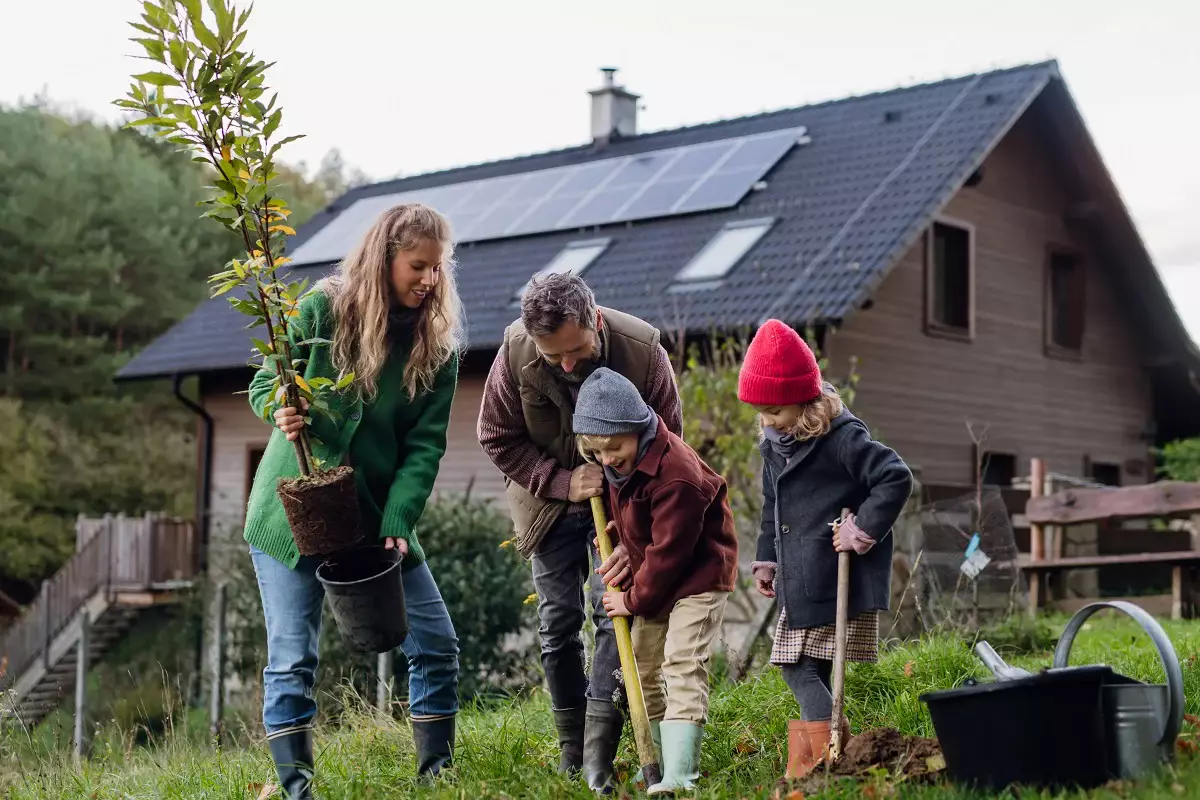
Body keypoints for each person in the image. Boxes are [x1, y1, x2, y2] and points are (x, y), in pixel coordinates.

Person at [244, 204, 464, 799]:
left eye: (437, 269)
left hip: (376, 518)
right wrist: (280, 409)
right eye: (418, 266)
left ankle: (436, 779)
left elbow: (423, 447)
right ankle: (297, 790)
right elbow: (268, 381)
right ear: (384, 258)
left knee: (436, 644)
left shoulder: (436, 349)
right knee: (293, 660)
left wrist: (398, 520)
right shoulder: (321, 311)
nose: (429, 280)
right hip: (294, 514)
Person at [477, 273, 683, 791]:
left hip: (622, 502)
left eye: (577, 350)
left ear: (594, 319)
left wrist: (630, 510)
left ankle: (600, 756)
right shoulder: (515, 351)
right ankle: (572, 746)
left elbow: (668, 445)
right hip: (546, 500)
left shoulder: (643, 350)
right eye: (554, 357)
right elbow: (496, 436)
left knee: (611, 607)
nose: (567, 364)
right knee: (557, 619)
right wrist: (562, 481)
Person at [738, 319, 912, 780]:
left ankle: (819, 762)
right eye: (761, 411)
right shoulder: (775, 446)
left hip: (835, 576)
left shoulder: (842, 439)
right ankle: (837, 756)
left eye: (775, 410)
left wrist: (863, 530)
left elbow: (895, 477)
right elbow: (771, 506)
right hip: (800, 578)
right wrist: (767, 560)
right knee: (804, 665)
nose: (768, 420)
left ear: (803, 397)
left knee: (794, 668)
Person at [573, 367, 738, 795]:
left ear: (639, 429)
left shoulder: (677, 475)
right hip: (657, 576)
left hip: (697, 578)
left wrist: (632, 600)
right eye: (596, 452)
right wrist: (622, 537)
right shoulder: (617, 463)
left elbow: (670, 554)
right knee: (643, 673)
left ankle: (682, 777)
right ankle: (661, 769)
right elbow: (642, 524)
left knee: (682, 662)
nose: (607, 459)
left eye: (614, 448)